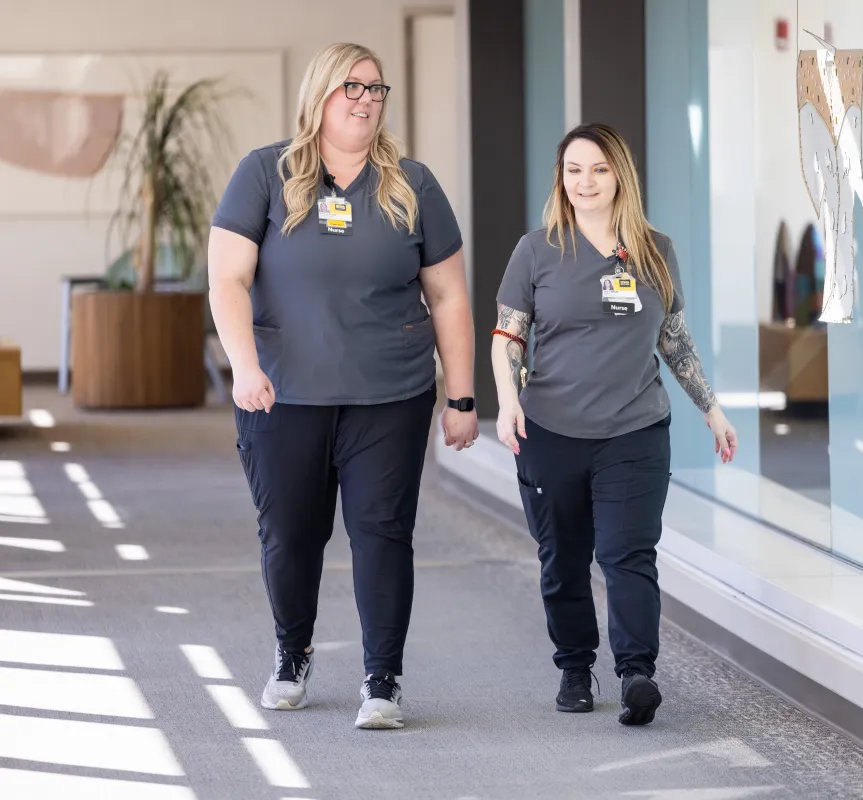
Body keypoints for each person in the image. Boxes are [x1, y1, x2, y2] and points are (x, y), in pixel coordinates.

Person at [207, 42, 478, 731]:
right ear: (319, 95)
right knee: (292, 535)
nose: (364, 99)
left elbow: (448, 295)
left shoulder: (412, 184)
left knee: (383, 532)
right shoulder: (265, 174)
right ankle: (292, 653)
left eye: (375, 89)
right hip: (282, 395)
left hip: (390, 395)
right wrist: (243, 366)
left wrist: (462, 396)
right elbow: (227, 279)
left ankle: (382, 679)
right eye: (350, 87)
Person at [491, 123, 737, 726]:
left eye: (598, 169)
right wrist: (507, 401)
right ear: (561, 179)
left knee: (628, 553)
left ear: (620, 175)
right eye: (574, 170)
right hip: (550, 430)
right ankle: (576, 668)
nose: (586, 182)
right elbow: (507, 337)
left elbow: (673, 340)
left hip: (635, 430)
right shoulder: (537, 250)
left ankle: (636, 674)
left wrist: (710, 406)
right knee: (564, 559)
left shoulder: (655, 251)